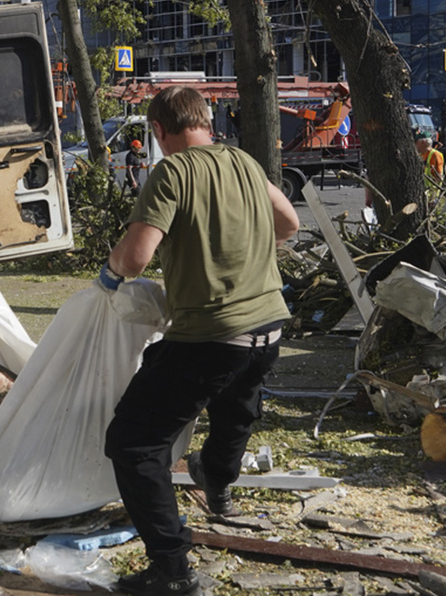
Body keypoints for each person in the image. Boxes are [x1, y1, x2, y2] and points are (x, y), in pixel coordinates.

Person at [99, 86, 298, 596]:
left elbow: (138, 256)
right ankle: (218, 481)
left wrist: (111, 271)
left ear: (160, 131)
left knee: (134, 442)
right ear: (207, 122)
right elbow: (289, 224)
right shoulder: (246, 163)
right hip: (270, 325)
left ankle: (172, 569)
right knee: (234, 409)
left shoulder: (172, 171)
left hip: (212, 334)